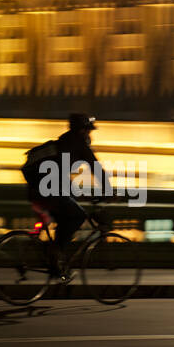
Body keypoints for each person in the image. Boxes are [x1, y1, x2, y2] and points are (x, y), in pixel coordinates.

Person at [22, 113, 109, 279]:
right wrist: (109, 191)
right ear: (82, 131)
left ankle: (56, 263)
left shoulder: (62, 144)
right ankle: (55, 253)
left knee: (65, 215)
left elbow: (63, 182)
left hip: (36, 192)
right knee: (78, 216)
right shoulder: (79, 145)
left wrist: (81, 194)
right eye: (88, 131)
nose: (90, 135)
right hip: (49, 192)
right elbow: (96, 169)